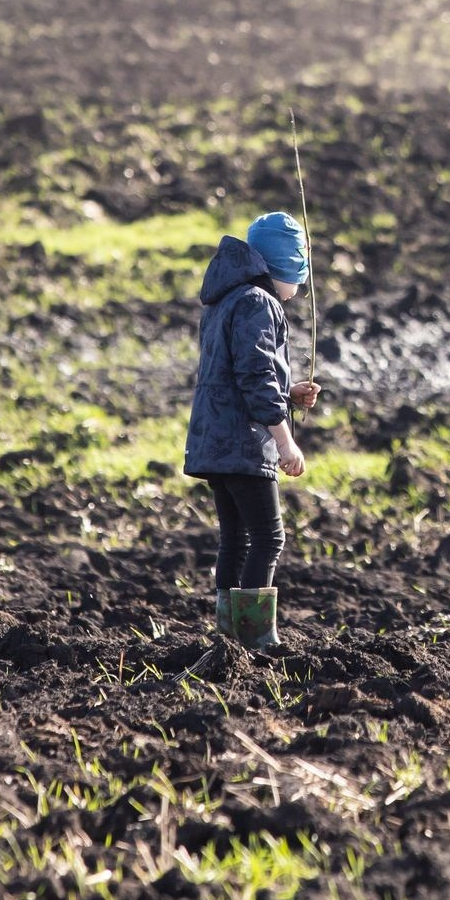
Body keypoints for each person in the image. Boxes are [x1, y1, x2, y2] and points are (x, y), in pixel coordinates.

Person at [185, 210, 322, 653]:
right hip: (245, 443)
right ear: (283, 267)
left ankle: (228, 640)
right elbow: (255, 378)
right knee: (268, 537)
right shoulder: (259, 302)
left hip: (214, 439)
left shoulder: (226, 297)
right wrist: (285, 441)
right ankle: (255, 641)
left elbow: (239, 373)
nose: (296, 293)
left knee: (236, 539)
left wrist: (287, 394)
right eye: (296, 280)